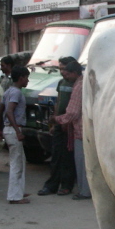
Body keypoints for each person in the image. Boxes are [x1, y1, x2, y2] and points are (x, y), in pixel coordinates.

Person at [37, 56, 77, 196]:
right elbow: (59, 101)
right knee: (56, 156)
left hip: (71, 125)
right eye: (60, 69)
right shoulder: (61, 82)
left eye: (63, 69)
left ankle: (66, 185)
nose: (61, 72)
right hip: (60, 123)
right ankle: (51, 185)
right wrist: (53, 123)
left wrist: (68, 123)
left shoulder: (77, 83)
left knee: (68, 157)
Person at [51, 61, 91, 200]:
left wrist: (57, 120)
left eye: (67, 74)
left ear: (74, 73)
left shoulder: (78, 86)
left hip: (80, 130)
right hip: (87, 128)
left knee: (81, 163)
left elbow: (73, 112)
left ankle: (85, 191)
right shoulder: (84, 82)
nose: (66, 77)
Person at [0, 65, 31, 204]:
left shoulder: (8, 91)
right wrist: (18, 132)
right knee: (16, 164)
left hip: (9, 129)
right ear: (21, 78)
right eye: (26, 78)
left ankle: (19, 191)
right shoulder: (16, 93)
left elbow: (0, 111)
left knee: (20, 161)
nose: (28, 81)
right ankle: (14, 196)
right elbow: (9, 111)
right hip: (14, 129)